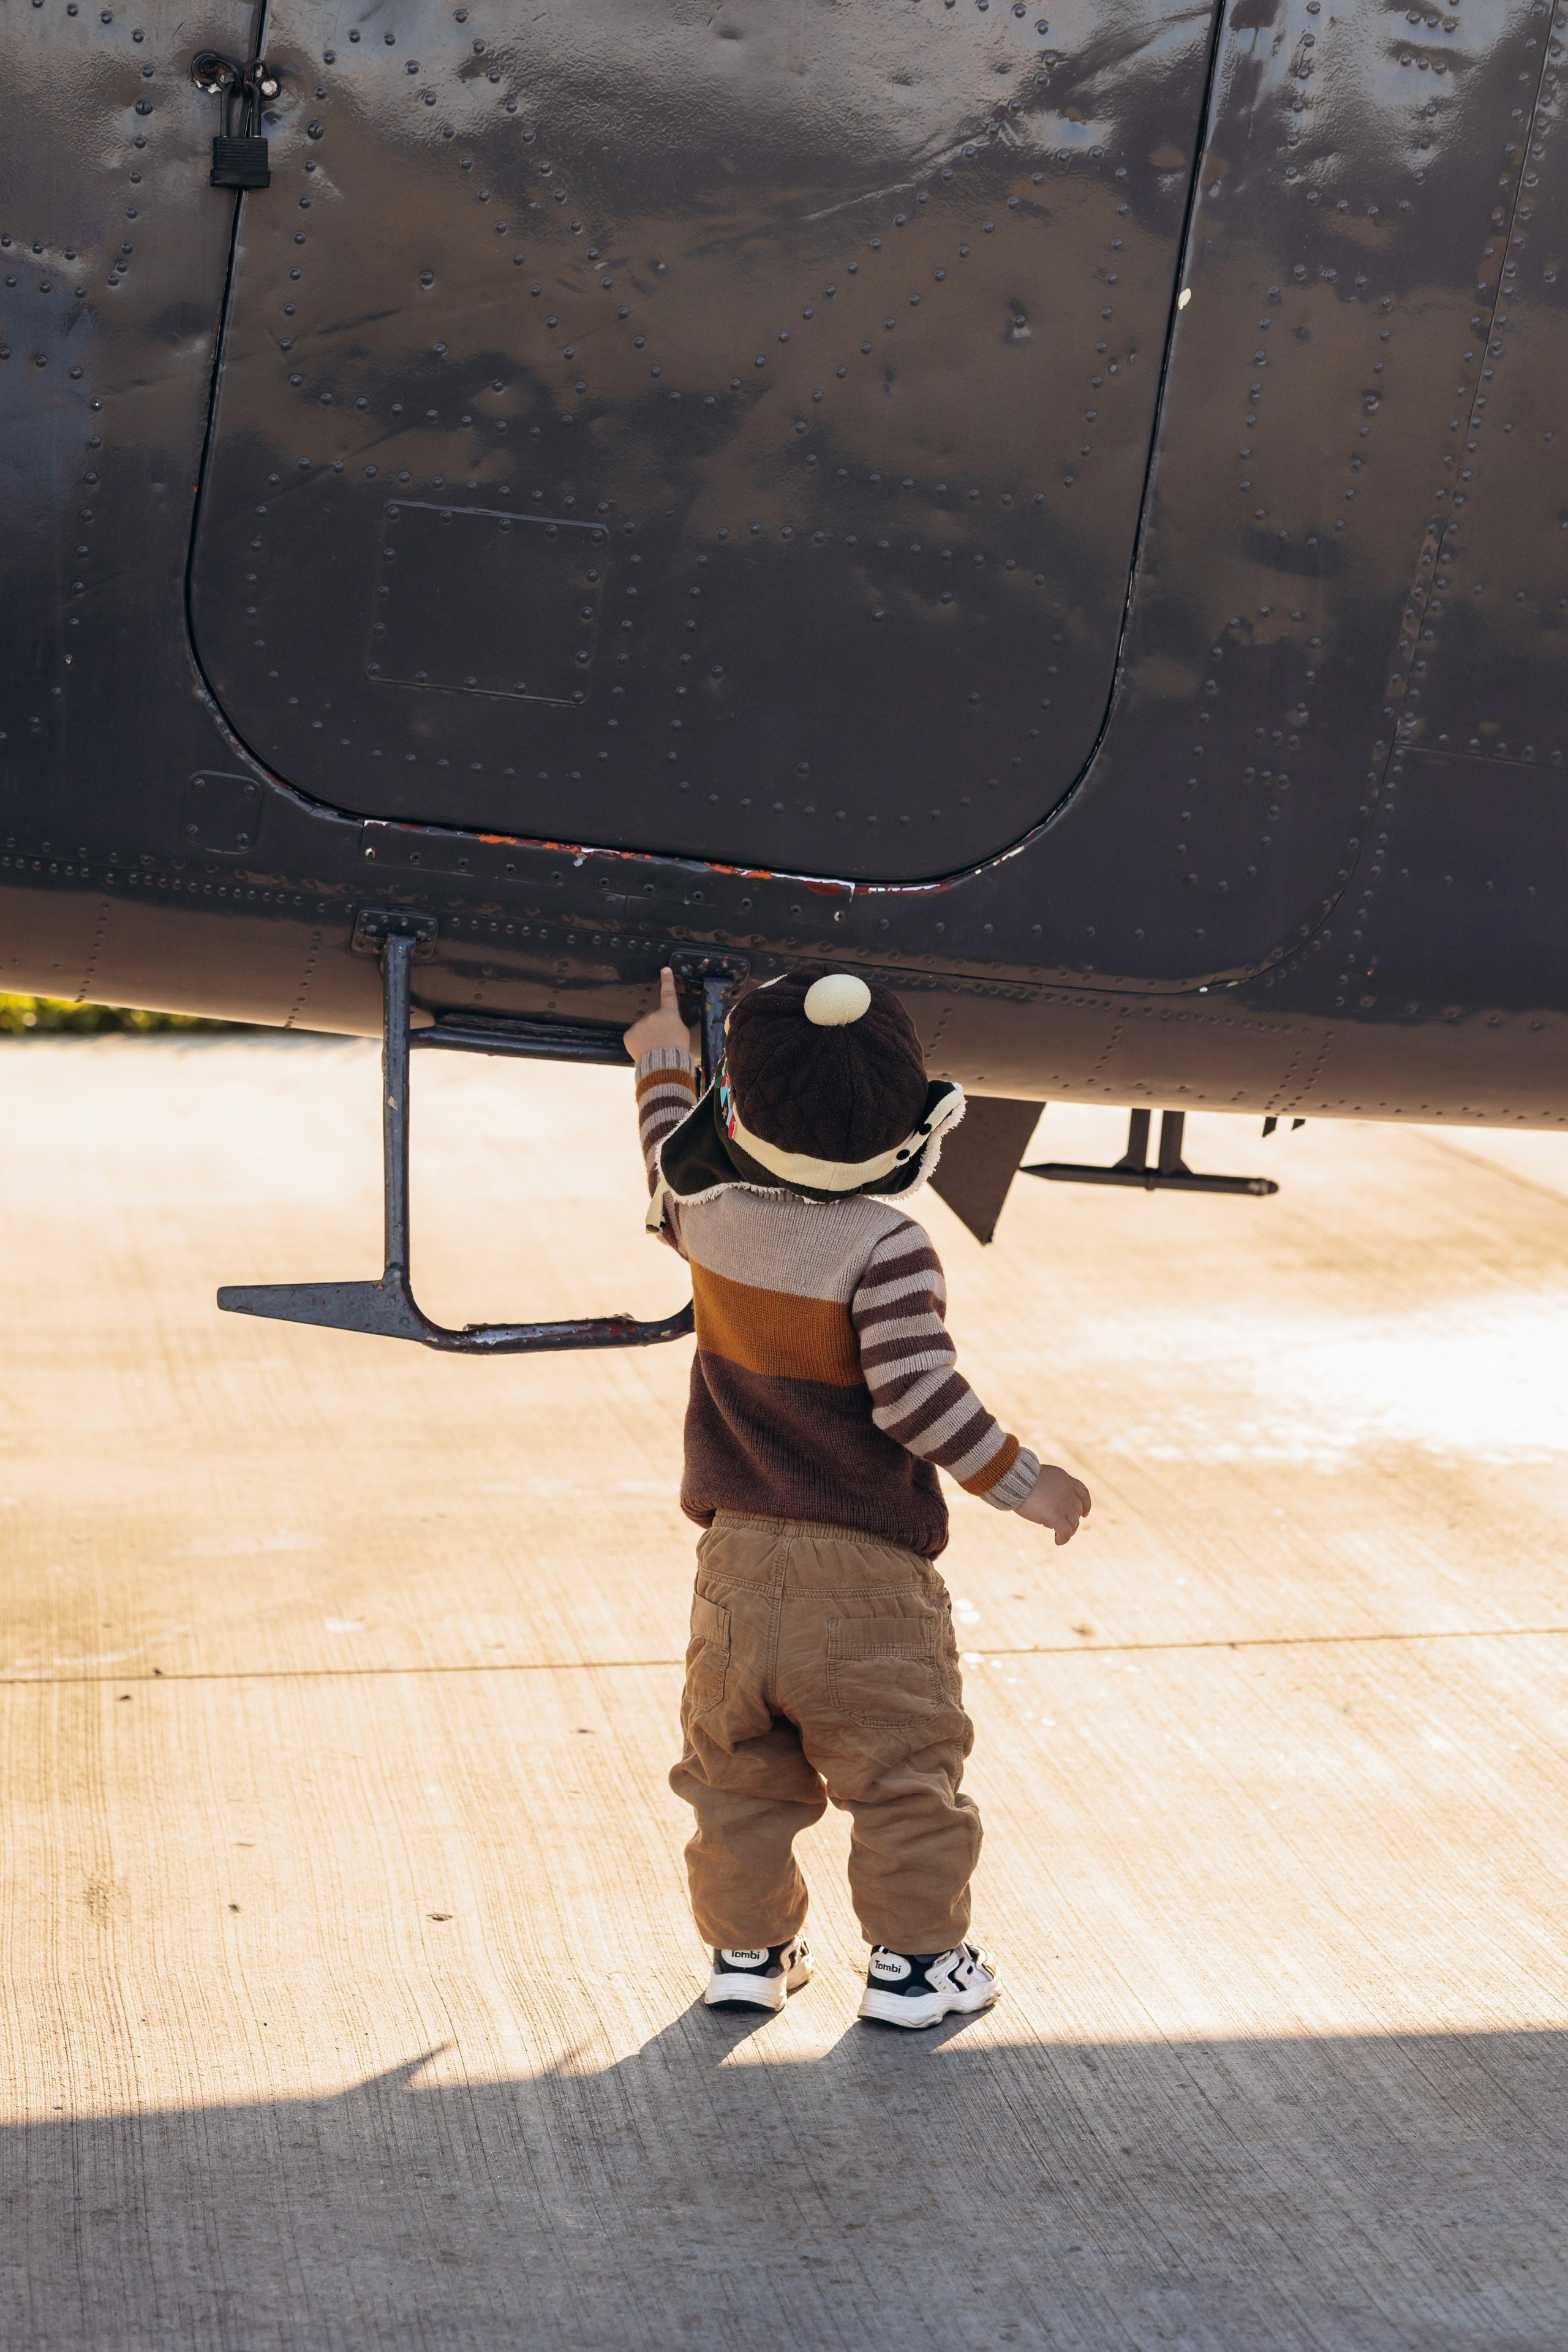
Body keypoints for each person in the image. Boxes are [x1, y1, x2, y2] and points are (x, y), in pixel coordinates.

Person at [624, 964, 1091, 2030]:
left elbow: (666, 1148)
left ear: (739, 1110)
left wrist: (661, 1056)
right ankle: (919, 1971)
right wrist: (1028, 1481)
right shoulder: (885, 1247)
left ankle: (748, 1956)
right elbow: (919, 1399)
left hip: (734, 1569)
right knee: (902, 1780)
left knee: (735, 1781)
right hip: (865, 1576)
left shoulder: (705, 1213)